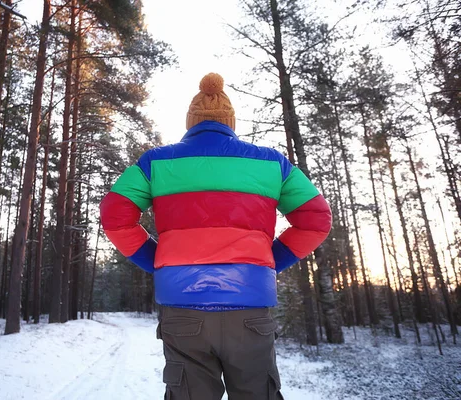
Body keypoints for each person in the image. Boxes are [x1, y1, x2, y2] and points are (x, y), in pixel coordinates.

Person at [100, 73, 332, 400]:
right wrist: (268, 263)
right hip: (250, 309)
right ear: (230, 123)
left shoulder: (156, 162)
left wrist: (156, 261)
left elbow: (114, 215)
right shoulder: (270, 162)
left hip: (182, 309)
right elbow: (316, 219)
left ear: (190, 123)